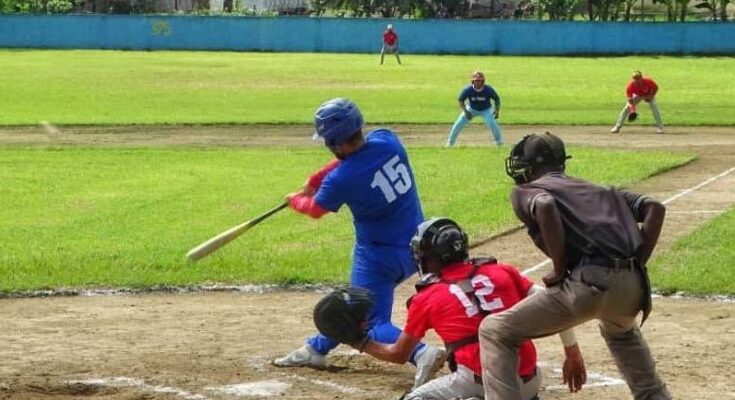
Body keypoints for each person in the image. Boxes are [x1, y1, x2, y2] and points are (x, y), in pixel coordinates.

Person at [479, 132, 672, 399]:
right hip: (633, 290)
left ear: (530, 166)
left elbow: (545, 206)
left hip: (587, 286)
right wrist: (637, 264)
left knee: (495, 331)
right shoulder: (601, 190)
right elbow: (654, 207)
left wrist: (559, 268)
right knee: (622, 333)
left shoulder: (527, 190)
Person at [273, 98, 446, 390]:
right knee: (352, 304)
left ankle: (420, 353)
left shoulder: (342, 179)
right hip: (418, 248)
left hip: (378, 257)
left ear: (334, 143)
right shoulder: (388, 140)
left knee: (370, 320)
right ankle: (317, 348)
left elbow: (314, 208)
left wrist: (295, 200)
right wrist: (316, 178)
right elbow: (350, 159)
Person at [359, 217, 587, 400]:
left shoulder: (427, 297)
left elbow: (398, 354)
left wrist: (359, 341)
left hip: (481, 384)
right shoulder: (503, 272)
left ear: (430, 259)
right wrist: (572, 352)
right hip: (530, 381)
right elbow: (556, 304)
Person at [446, 71, 504, 147]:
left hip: (486, 109)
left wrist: (496, 110)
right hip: (471, 109)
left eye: (479, 80)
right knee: (458, 123)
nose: (477, 82)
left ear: (483, 81)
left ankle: (499, 144)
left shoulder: (488, 89)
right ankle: (450, 143)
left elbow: (497, 99)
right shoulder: (468, 90)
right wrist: (465, 111)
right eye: (476, 80)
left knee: (493, 124)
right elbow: (461, 100)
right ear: (472, 81)